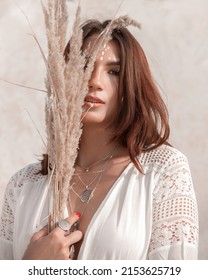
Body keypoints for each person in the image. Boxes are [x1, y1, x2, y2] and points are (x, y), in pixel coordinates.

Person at [0, 19, 198, 260]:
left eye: (114, 72)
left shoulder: (163, 170)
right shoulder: (23, 185)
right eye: (84, 66)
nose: (94, 81)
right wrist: (30, 267)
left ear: (131, 85)